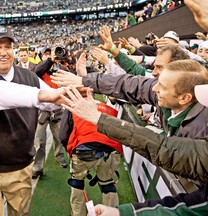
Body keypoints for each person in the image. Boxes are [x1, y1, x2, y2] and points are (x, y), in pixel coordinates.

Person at [60, 63, 208, 215]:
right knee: (107, 183)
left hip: (84, 152)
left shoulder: (201, 127)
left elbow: (164, 148)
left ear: (185, 98)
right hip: (109, 153)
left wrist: (98, 119)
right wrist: (86, 80)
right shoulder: (176, 97)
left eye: (162, 86)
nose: (154, 88)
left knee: (77, 183)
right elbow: (134, 85)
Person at [0, 25, 80, 216]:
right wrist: (43, 95)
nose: (3, 52)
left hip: (20, 167)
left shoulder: (29, 77)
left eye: (7, 47)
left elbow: (54, 102)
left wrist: (72, 91)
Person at [31, 45, 68, 179]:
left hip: (58, 110)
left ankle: (60, 158)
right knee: (39, 141)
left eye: (51, 54)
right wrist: (49, 61)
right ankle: (37, 167)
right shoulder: (38, 70)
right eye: (46, 54)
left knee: (60, 137)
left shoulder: (61, 69)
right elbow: (36, 71)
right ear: (42, 56)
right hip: (42, 111)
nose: (50, 56)